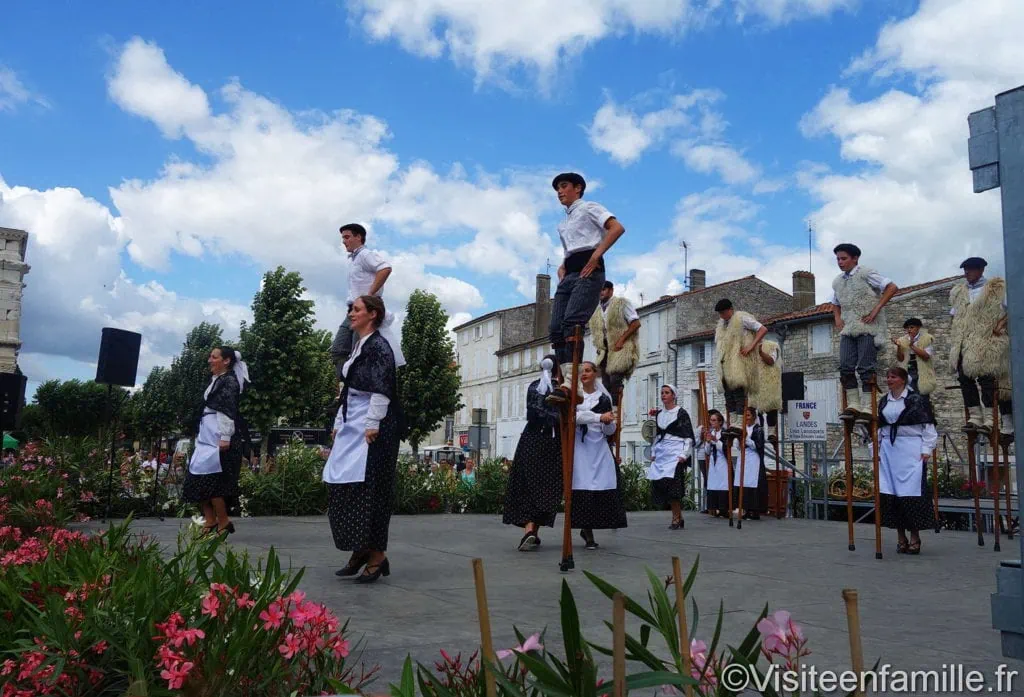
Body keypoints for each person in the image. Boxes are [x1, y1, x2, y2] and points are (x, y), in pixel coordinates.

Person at [322, 295, 404, 584]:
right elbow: (349, 391)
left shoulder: (379, 346)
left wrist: (372, 423)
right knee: (345, 487)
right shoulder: (360, 346)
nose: (351, 313)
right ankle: (361, 548)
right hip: (353, 420)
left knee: (370, 491)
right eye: (351, 309)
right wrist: (339, 422)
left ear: (373, 314)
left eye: (356, 309)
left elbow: (383, 387)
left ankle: (376, 555)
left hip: (374, 425)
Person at [546, 173, 626, 405]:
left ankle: (573, 382)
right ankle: (566, 382)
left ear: (578, 188)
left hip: (589, 270)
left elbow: (616, 228)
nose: (560, 192)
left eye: (564, 186)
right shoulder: (563, 224)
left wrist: (596, 256)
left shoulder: (589, 207)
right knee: (555, 328)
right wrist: (563, 266)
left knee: (572, 322)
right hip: (570, 273)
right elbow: (571, 249)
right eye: (557, 189)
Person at [867, 367, 938, 555]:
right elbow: (879, 429)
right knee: (892, 494)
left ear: (903, 380)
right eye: (888, 376)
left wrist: (926, 449)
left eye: (893, 377)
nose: (889, 380)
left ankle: (915, 536)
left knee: (911, 494)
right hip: (889, 451)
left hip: (911, 450)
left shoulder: (916, 400)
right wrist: (875, 450)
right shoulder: (884, 401)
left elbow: (928, 426)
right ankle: (901, 537)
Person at [182, 346, 249, 536]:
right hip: (207, 434)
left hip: (217, 435)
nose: (209, 360)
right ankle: (210, 519)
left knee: (213, 480)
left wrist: (225, 437)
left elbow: (227, 409)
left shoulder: (229, 381)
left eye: (214, 357)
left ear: (226, 361)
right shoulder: (217, 380)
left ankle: (223, 521)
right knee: (197, 476)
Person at [830, 243, 899, 419]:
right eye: (838, 259)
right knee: (845, 366)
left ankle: (868, 406)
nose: (840, 262)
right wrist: (837, 318)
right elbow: (835, 303)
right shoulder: (838, 281)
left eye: (844, 258)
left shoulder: (866, 273)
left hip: (867, 327)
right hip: (848, 328)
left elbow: (891, 287)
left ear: (855, 258)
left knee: (865, 367)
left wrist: (876, 309)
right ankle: (854, 404)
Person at [329, 223, 405, 381]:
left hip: (364, 309)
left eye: (347, 237)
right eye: (343, 238)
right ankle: (346, 386)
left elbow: (385, 268)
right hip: (353, 310)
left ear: (358, 237)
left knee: (359, 350)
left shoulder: (365, 254)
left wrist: (370, 295)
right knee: (338, 350)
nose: (344, 241)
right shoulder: (354, 259)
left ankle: (359, 386)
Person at [503, 357, 564, 551]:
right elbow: (544, 413)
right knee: (545, 486)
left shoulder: (535, 386)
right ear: (558, 370)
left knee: (530, 484)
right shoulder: (561, 388)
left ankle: (531, 531)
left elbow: (533, 411)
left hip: (532, 438)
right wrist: (557, 418)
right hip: (550, 441)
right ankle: (531, 530)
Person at [948, 257, 1012, 437]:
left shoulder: (996, 289)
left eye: (971, 269)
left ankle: (991, 419)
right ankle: (975, 416)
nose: (967, 273)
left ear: (981, 270)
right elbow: (954, 315)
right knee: (964, 377)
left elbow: (1014, 307)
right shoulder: (959, 292)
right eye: (965, 269)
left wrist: (1001, 324)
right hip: (965, 342)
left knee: (986, 378)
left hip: (987, 340)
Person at [570, 361, 627, 548]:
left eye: (587, 370)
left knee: (600, 486)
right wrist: (598, 417)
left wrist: (610, 422)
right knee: (583, 486)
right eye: (581, 371)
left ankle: (590, 527)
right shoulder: (574, 396)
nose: (584, 374)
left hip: (598, 447)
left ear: (595, 374)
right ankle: (588, 533)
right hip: (580, 448)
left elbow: (608, 431)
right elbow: (574, 417)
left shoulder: (603, 399)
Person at [712, 298, 768, 436]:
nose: (722, 316)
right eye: (720, 313)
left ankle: (739, 423)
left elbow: (762, 329)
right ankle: (732, 422)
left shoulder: (741, 318)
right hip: (725, 363)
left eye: (723, 312)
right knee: (728, 395)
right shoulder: (722, 325)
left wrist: (751, 346)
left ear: (730, 309)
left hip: (738, 362)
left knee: (738, 393)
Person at [647, 385, 694, 530]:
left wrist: (684, 454)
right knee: (664, 486)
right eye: (662, 392)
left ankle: (675, 518)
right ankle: (679, 516)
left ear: (674, 395)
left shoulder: (681, 413)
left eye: (667, 392)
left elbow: (688, 436)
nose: (663, 395)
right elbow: (657, 435)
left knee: (674, 489)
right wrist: (653, 452)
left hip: (675, 454)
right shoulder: (659, 414)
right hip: (662, 453)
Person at [589, 281, 640, 406]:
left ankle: (615, 409)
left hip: (620, 348)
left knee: (615, 379)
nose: (600, 292)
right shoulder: (597, 310)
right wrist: (599, 345)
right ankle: (608, 409)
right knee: (605, 384)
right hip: (605, 351)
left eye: (603, 289)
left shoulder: (621, 303)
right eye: (599, 290)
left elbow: (636, 323)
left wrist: (622, 339)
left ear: (611, 290)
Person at [731, 406, 768, 520]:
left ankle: (754, 511)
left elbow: (758, 446)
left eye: (748, 415)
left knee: (752, 484)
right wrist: (738, 439)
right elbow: (737, 446)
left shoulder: (758, 429)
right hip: (743, 457)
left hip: (753, 459)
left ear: (754, 416)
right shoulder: (742, 428)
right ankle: (746, 509)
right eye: (745, 416)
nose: (746, 418)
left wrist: (746, 438)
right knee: (743, 483)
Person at [894, 318, 936, 398]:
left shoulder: (926, 338)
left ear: (918, 327)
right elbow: (900, 359)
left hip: (923, 369)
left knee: (923, 393)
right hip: (908, 369)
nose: (909, 330)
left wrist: (912, 346)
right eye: (907, 328)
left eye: (912, 327)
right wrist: (899, 347)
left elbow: (926, 356)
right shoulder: (902, 340)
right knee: (910, 393)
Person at [699, 410, 730, 518]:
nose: (711, 422)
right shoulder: (711, 433)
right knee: (714, 484)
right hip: (713, 462)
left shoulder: (725, 433)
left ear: (720, 422)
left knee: (723, 484)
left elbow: (726, 449)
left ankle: (724, 509)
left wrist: (716, 440)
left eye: (714, 420)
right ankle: (714, 507)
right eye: (711, 420)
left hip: (722, 461)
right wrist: (708, 442)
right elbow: (707, 452)